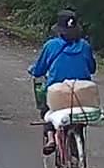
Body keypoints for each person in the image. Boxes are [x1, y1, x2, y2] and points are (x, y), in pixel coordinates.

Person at [29, 9, 96, 154]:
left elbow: (39, 70)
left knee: (47, 109)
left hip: (58, 91)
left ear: (59, 30)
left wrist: (33, 70)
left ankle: (51, 138)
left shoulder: (51, 45)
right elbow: (92, 69)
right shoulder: (85, 46)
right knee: (79, 116)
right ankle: (77, 149)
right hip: (82, 92)